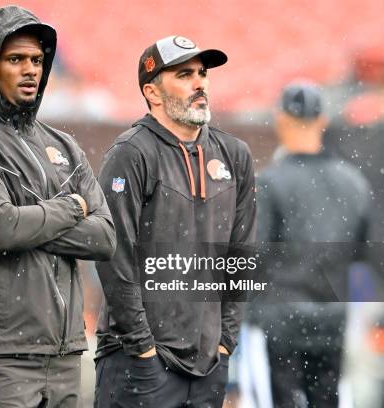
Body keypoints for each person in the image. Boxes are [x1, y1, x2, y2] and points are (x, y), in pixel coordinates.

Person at [0, 6, 116, 408]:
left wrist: (28, 219)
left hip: (63, 353)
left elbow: (104, 237)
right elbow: (1, 227)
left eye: (37, 60)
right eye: (15, 59)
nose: (31, 70)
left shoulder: (64, 145)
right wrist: (70, 208)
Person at [94, 36, 256, 407]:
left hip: (208, 366)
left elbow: (241, 255)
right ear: (151, 92)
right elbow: (113, 257)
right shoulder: (130, 153)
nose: (200, 83)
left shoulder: (235, 155)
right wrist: (143, 351)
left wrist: (225, 343)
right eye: (184, 74)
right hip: (137, 362)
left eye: (202, 73)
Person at [255, 82, 372, 407]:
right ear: (322, 119)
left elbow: (256, 254)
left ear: (280, 118)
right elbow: (362, 251)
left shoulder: (269, 181)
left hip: (281, 318)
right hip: (333, 315)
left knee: (283, 401)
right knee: (327, 399)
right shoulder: (353, 181)